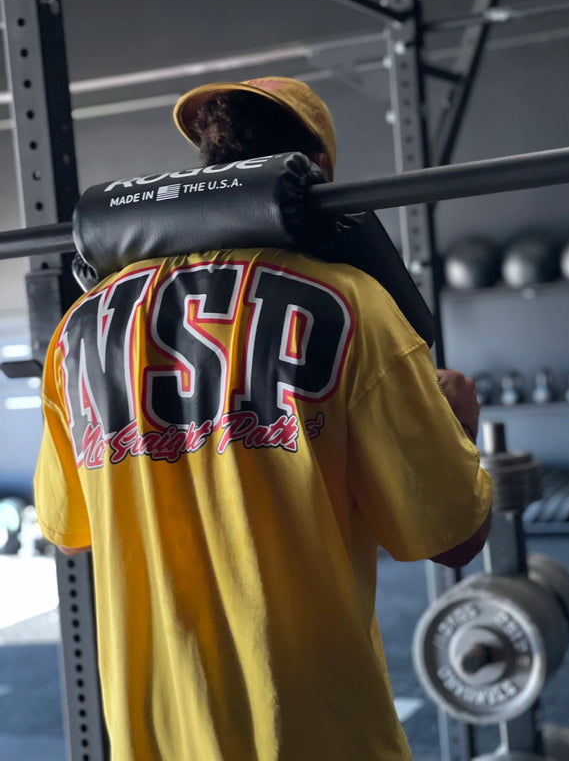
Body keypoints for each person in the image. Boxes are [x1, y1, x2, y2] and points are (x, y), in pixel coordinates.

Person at [34, 76, 492, 761]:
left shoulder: (80, 328)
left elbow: (70, 534)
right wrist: (459, 421)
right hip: (317, 734)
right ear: (321, 174)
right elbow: (453, 538)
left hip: (154, 736)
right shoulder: (351, 304)